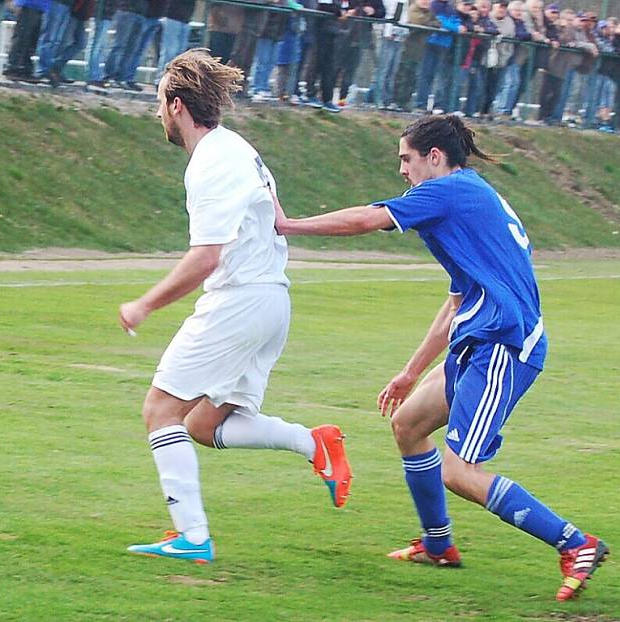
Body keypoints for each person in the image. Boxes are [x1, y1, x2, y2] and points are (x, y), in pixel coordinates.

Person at [273, 114, 609, 601]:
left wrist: (288, 225)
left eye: (406, 159)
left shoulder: (449, 192)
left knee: (459, 472)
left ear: (435, 157)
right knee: (408, 425)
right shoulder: (468, 198)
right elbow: (456, 302)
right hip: (479, 340)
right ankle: (438, 545)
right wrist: (411, 371)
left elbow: (370, 218)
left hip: (504, 346)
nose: (403, 172)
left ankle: (575, 543)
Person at [119, 48, 353, 563]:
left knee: (161, 410)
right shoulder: (239, 149)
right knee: (203, 425)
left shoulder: (210, 164)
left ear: (177, 105)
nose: (157, 112)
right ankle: (314, 444)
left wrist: (145, 305)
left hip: (240, 301)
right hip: (271, 300)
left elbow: (206, 258)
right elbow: (274, 214)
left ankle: (193, 538)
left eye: (159, 102)